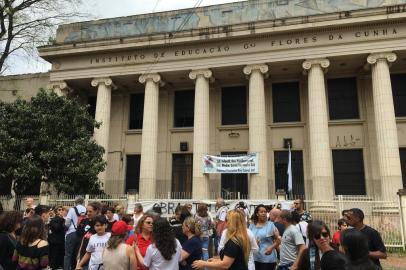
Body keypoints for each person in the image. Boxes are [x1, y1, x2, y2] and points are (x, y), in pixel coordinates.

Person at [248, 204, 279, 270]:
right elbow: (247, 239)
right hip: (254, 258)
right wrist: (253, 243)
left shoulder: (271, 225)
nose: (264, 213)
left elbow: (278, 240)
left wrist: (271, 247)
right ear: (257, 214)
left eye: (265, 212)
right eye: (261, 212)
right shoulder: (252, 225)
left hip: (268, 258)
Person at [76, 202, 102, 270]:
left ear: (96, 211)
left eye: (90, 211)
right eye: (87, 211)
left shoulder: (100, 224)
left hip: (94, 257)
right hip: (84, 254)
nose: (88, 213)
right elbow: (83, 238)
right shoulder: (86, 221)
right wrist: (79, 252)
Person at [64, 196, 87, 270]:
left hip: (71, 233)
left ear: (75, 202)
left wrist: (65, 230)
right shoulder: (86, 209)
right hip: (82, 234)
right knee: (78, 254)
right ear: (83, 202)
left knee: (68, 254)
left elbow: (67, 223)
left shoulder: (72, 209)